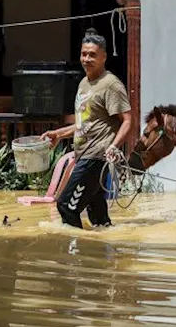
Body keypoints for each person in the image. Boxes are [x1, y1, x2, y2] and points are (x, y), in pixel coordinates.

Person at [42, 29, 132, 229]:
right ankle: (102, 254)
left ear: (104, 57)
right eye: (84, 54)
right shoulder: (84, 83)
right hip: (83, 154)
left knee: (66, 206)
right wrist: (59, 133)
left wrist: (114, 146)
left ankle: (79, 256)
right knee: (99, 219)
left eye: (92, 54)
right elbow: (86, 123)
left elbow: (127, 120)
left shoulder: (111, 85)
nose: (87, 59)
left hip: (96, 157)